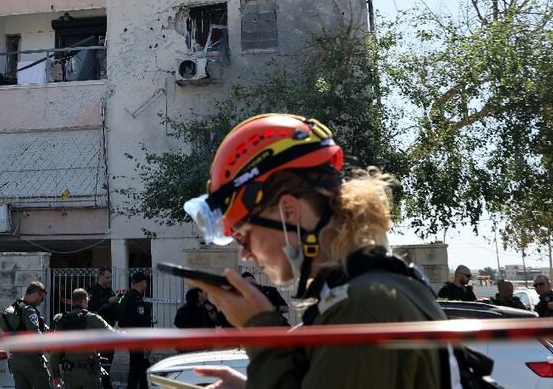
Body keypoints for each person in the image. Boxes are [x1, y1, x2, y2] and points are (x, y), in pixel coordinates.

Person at [182, 114, 455, 389]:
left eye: (243, 236)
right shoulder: (356, 292)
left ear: (289, 212)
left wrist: (260, 329)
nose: (245, 255)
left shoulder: (361, 308)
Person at [51, 288, 115, 389]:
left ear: (73, 302)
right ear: (85, 300)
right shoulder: (92, 318)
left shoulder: (62, 320)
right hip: (90, 373)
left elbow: (55, 350)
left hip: (70, 373)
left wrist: (56, 374)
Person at [0, 281, 51, 389]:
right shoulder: (30, 310)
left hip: (15, 358)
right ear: (36, 294)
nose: (41, 302)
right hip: (31, 358)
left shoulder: (15, 307)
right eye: (41, 298)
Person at [119, 272, 152, 389]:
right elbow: (142, 322)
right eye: (145, 282)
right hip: (138, 339)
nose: (146, 285)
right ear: (141, 283)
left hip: (131, 337)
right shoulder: (136, 299)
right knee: (137, 368)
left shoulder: (126, 297)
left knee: (140, 367)